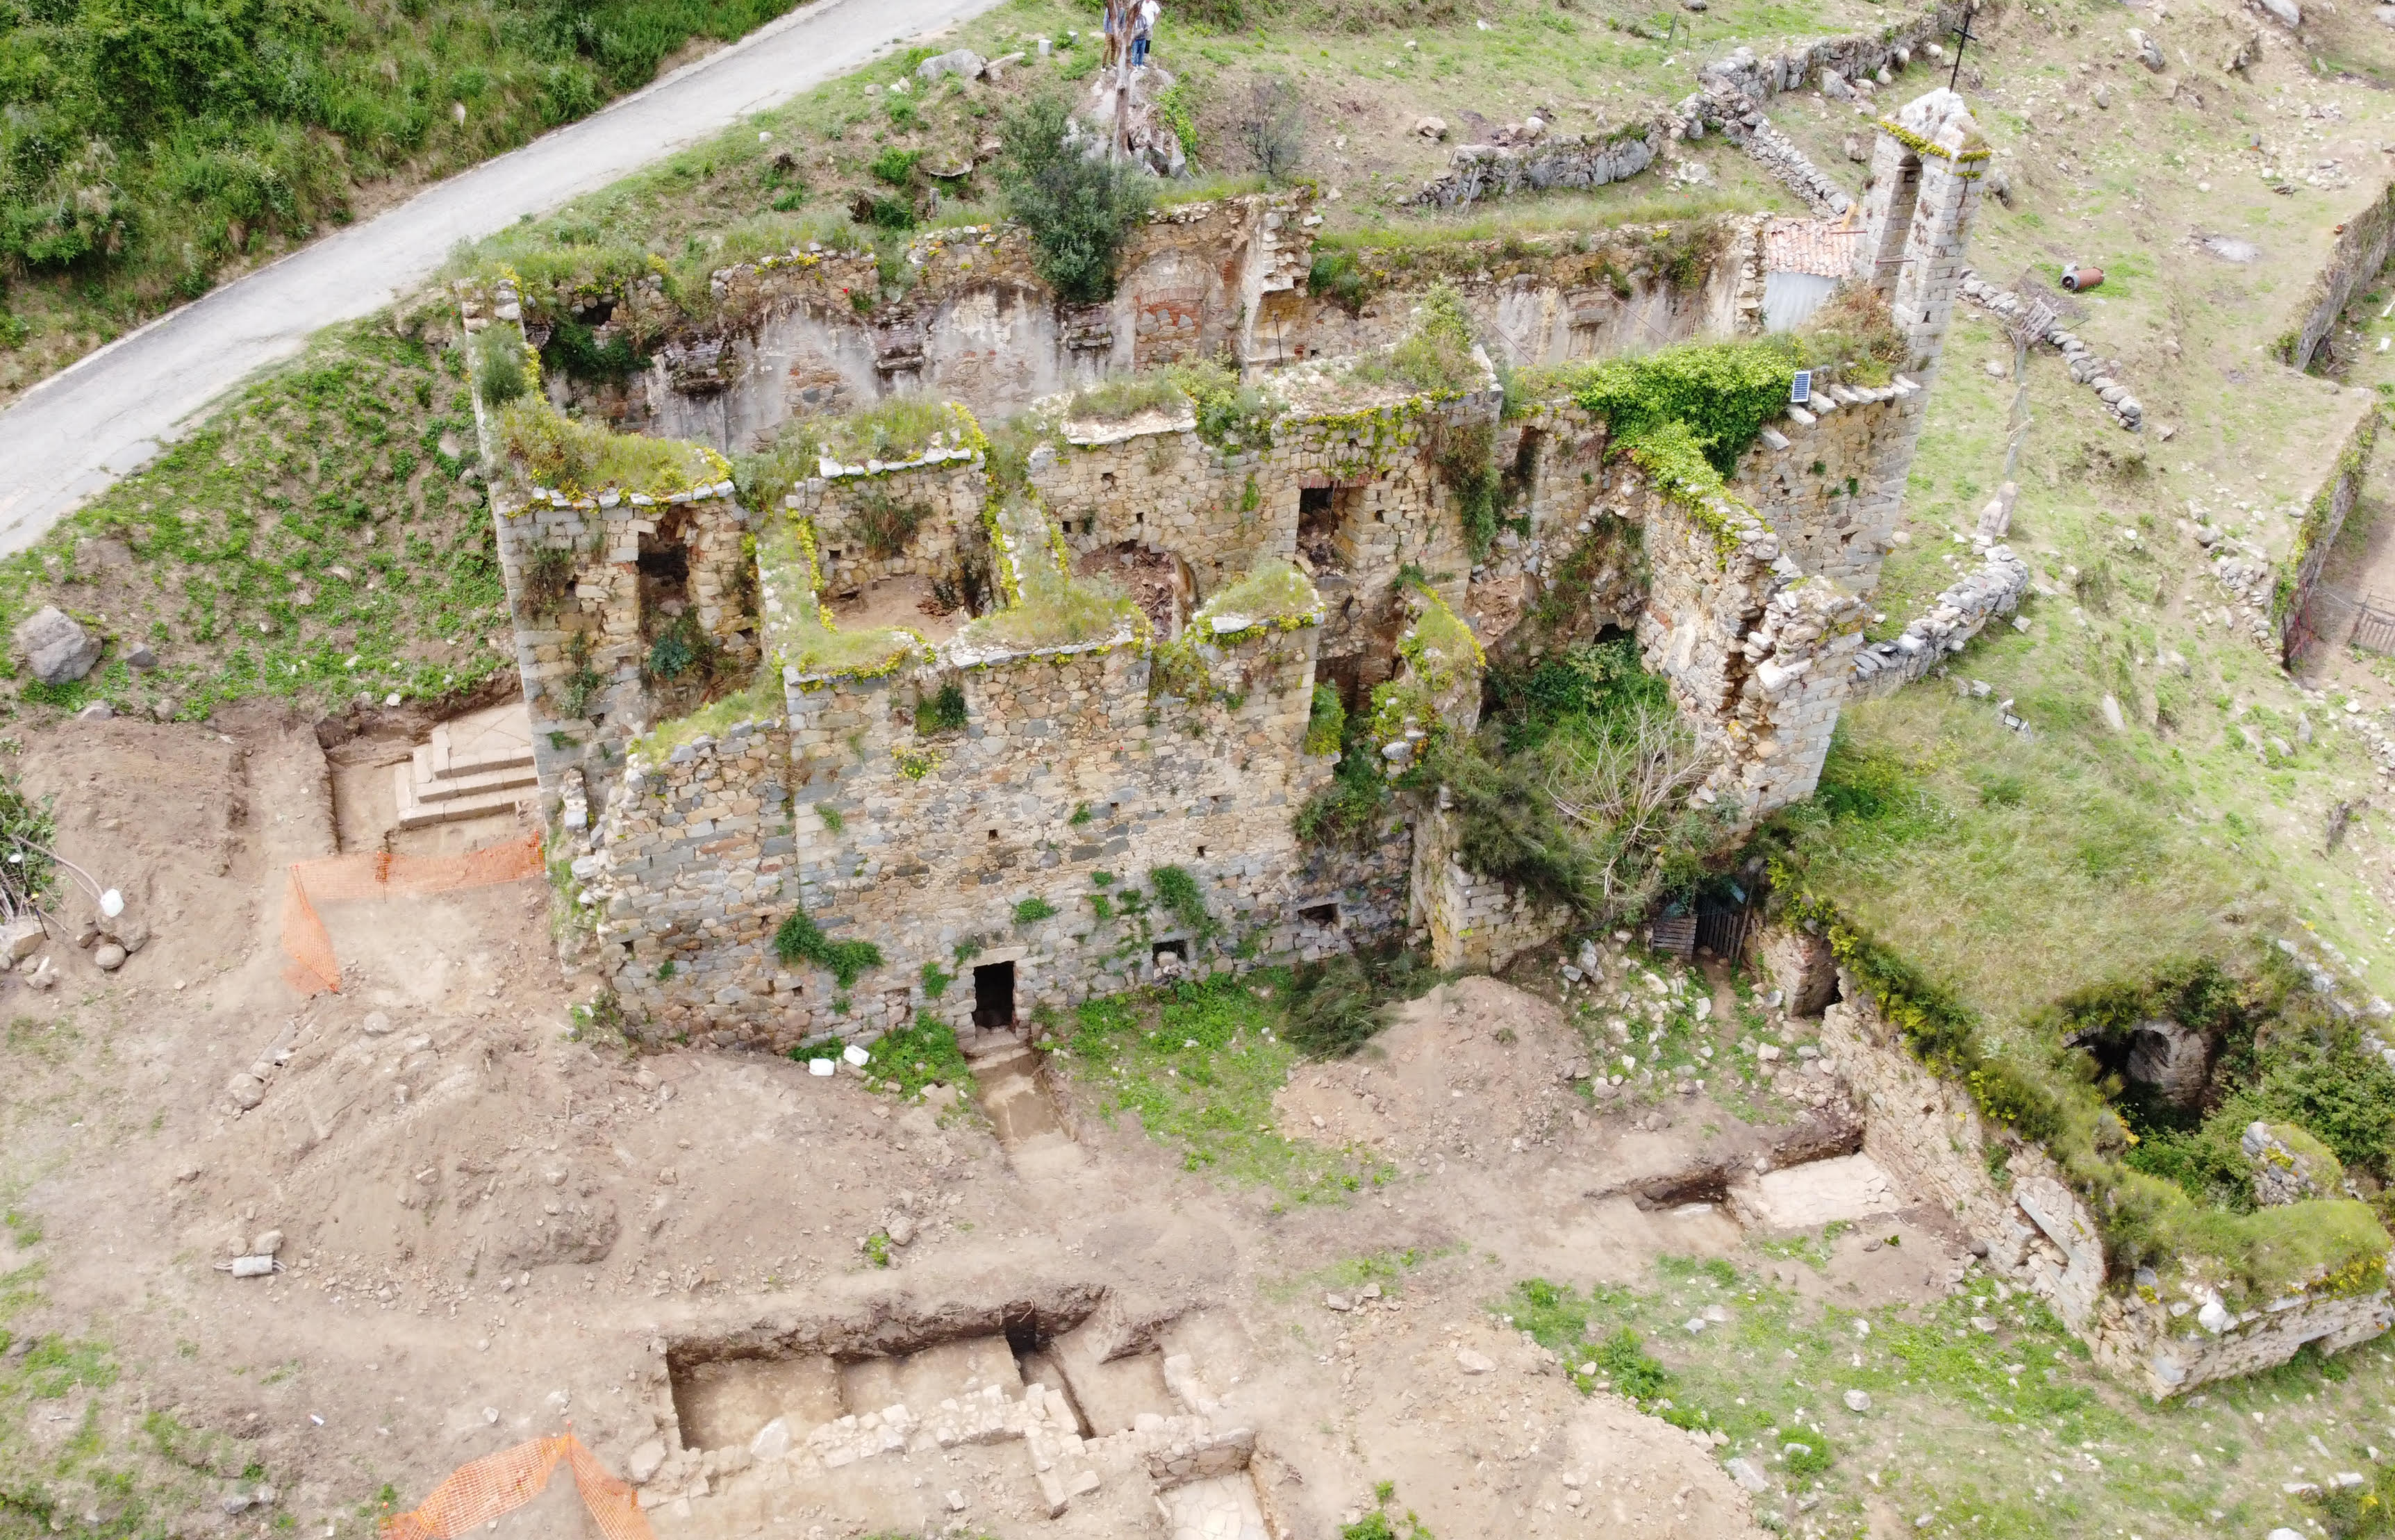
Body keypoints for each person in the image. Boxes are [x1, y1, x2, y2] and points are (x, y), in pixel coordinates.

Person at [1131, 0, 1158, 69]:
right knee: (1135, 51)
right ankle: (1135, 64)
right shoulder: (1135, 18)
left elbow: (1158, 12)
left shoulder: (1152, 4)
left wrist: (1152, 22)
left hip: (1145, 33)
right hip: (1137, 38)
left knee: (1144, 47)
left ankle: (1141, 62)